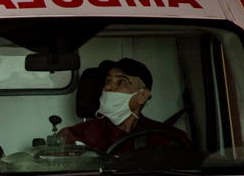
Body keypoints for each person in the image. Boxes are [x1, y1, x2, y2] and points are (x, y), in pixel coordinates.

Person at [58, 58, 187, 152]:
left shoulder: (170, 138)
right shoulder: (74, 136)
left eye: (121, 82)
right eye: (108, 81)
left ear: (142, 96)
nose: (109, 87)